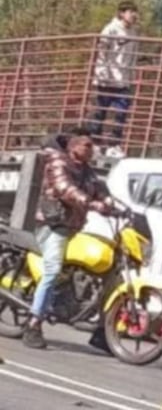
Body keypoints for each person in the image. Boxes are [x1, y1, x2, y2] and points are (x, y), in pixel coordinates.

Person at [23, 132, 116, 350]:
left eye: (92, 146)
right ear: (73, 146)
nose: (91, 150)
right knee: (52, 270)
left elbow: (99, 189)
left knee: (109, 268)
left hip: (73, 226)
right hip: (52, 224)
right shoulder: (57, 163)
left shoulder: (87, 171)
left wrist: (110, 202)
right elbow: (65, 188)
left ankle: (102, 331)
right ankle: (34, 323)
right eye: (87, 145)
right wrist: (90, 203)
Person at [88, 0, 140, 159]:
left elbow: (133, 56)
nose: (134, 16)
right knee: (100, 112)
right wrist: (102, 72)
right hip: (108, 78)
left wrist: (132, 77)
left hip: (123, 80)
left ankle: (114, 145)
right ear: (122, 13)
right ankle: (95, 144)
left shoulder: (133, 32)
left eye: (135, 12)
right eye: (131, 12)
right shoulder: (110, 29)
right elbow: (102, 50)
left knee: (121, 113)